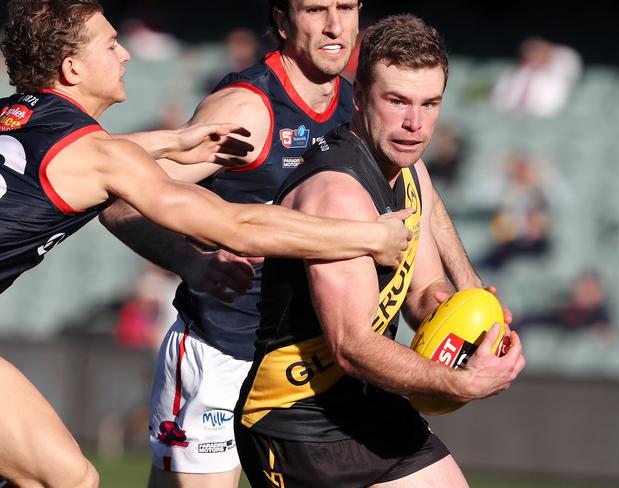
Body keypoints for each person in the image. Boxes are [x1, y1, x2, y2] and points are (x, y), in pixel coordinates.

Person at [0, 1, 412, 486]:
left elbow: (77, 155)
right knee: (66, 481)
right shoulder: (99, 155)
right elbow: (235, 227)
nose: (127, 54)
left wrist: (172, 141)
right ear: (72, 69)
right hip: (220, 347)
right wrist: (368, 237)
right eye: (111, 44)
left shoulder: (17, 114)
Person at [100, 1, 483, 486]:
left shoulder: (367, 102)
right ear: (282, 21)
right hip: (226, 353)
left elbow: (421, 190)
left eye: (346, 7)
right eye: (316, 9)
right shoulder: (250, 109)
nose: (334, 25)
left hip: (315, 374)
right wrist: (189, 262)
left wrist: (471, 289)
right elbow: (118, 195)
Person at [234, 15, 526, 487]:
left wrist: (470, 325)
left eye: (430, 104)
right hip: (297, 420)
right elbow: (351, 346)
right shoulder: (340, 196)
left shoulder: (410, 173)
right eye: (397, 101)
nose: (415, 123)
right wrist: (459, 382)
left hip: (366, 403)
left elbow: (424, 291)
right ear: (359, 97)